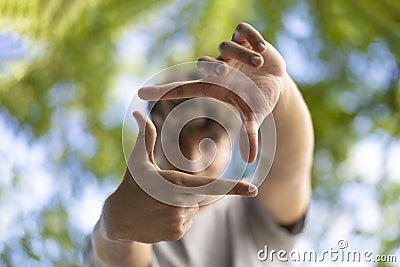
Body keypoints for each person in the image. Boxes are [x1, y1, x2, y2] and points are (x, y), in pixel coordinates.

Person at [84, 22, 314, 266]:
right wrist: (116, 228)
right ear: (155, 143)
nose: (193, 159)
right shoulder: (136, 215)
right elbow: (116, 255)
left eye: (210, 141)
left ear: (232, 143)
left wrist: (281, 90)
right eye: (177, 138)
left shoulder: (251, 212)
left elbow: (290, 168)